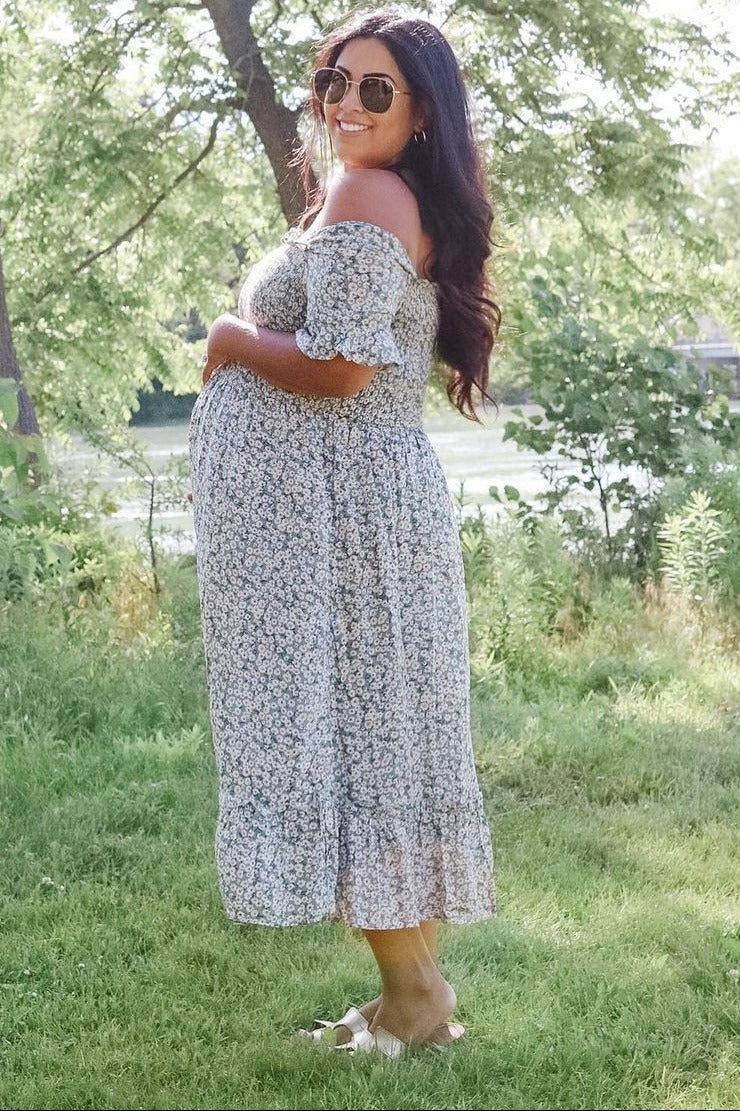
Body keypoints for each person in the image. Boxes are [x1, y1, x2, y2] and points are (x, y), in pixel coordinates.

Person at [189, 9, 500, 1058]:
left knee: (354, 744)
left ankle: (415, 996)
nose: (346, 104)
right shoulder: (366, 193)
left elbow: (340, 368)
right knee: (375, 744)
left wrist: (229, 336)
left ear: (421, 114)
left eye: (376, 89)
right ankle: (414, 996)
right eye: (334, 82)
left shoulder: (370, 196)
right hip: (338, 519)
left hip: (342, 530)